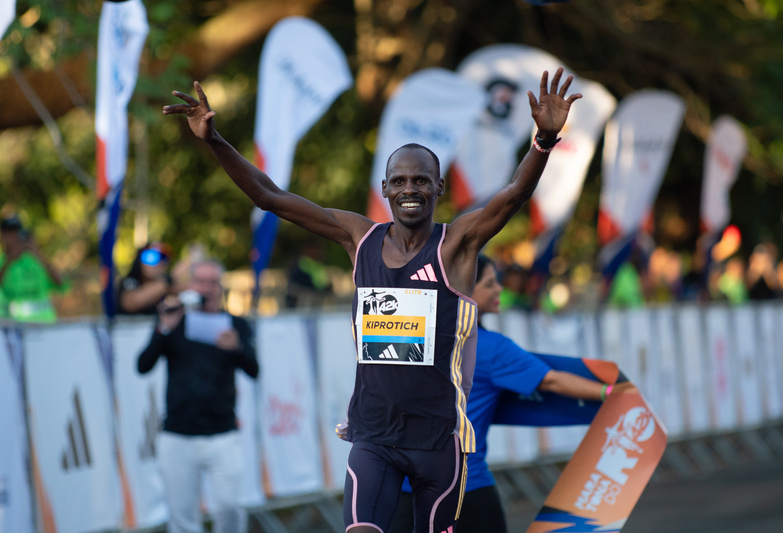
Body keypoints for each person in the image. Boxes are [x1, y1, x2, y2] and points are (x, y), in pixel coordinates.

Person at [163, 67, 580, 533]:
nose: (409, 189)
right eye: (398, 181)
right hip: (374, 436)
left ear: (439, 187)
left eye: (420, 180)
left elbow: (513, 196)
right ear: (384, 189)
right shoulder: (358, 238)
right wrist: (215, 140)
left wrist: (543, 140)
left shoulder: (456, 245)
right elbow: (269, 197)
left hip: (439, 439)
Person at [390, 255, 610, 533]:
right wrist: (610, 392)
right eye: (489, 284)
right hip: (466, 489)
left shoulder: (415, 337)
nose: (499, 289)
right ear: (464, 289)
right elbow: (552, 381)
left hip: (405, 488)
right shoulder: (490, 348)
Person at [137, 259, 259, 533]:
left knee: (229, 507)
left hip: (222, 434)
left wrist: (237, 348)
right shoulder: (174, 321)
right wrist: (163, 328)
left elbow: (255, 370)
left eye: (212, 283)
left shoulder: (235, 324)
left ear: (221, 287)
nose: (206, 288)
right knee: (181, 517)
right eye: (200, 282)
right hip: (178, 435)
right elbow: (143, 365)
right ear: (190, 285)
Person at [0, 215, 67, 323]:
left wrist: (38, 254)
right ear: (3, 236)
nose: (14, 237)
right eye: (10, 233)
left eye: (17, 233)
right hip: (14, 327)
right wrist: (9, 261)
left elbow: (60, 283)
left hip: (44, 324)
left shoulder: (37, 261)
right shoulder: (2, 263)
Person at [117, 242, 180, 315]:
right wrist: (170, 278)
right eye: (150, 257)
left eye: (163, 257)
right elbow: (133, 302)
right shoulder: (129, 282)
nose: (158, 263)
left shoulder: (166, 286)